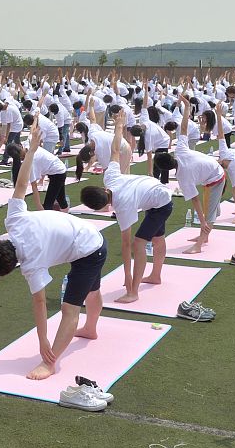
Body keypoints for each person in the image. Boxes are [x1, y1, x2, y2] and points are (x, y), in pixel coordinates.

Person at [0, 122, 107, 381]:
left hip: (88, 249)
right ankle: (91, 329)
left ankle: (51, 364)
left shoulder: (31, 264)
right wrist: (31, 152)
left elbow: (39, 303)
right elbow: (21, 184)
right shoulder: (13, 221)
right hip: (90, 236)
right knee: (92, 289)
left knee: (70, 308)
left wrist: (43, 342)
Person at [80, 116, 172, 303]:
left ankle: (134, 292)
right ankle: (155, 275)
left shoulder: (122, 205)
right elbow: (115, 150)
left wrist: (128, 278)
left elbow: (127, 245)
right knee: (157, 237)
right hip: (155, 194)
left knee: (139, 243)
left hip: (161, 203)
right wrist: (118, 126)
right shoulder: (110, 178)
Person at [152, 95, 225, 251]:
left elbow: (196, 201)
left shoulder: (182, 178)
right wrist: (186, 108)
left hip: (217, 177)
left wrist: (203, 221)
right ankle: (203, 236)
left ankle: (199, 244)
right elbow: (183, 128)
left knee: (209, 213)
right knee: (212, 209)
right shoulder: (180, 151)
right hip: (213, 172)